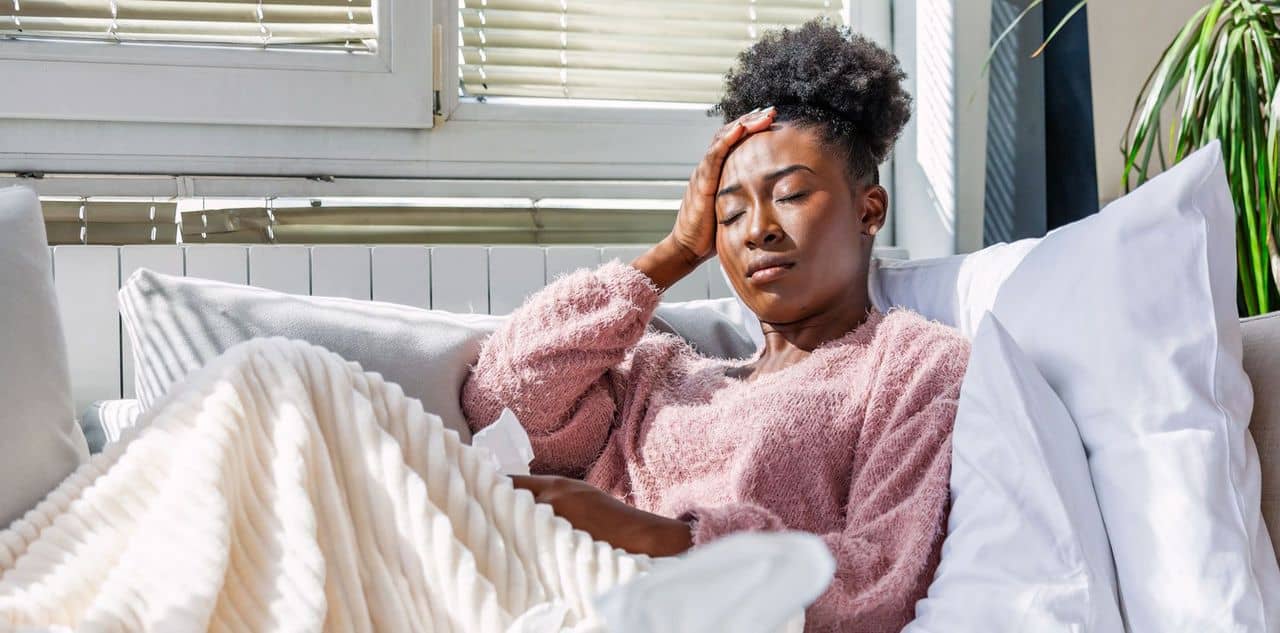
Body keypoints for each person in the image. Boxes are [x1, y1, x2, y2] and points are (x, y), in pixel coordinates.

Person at [462, 19, 971, 632]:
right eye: (729, 213)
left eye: (790, 195)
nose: (757, 229)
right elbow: (499, 401)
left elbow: (879, 581)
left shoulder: (912, 363)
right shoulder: (657, 374)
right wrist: (672, 252)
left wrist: (658, 537)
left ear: (870, 209)